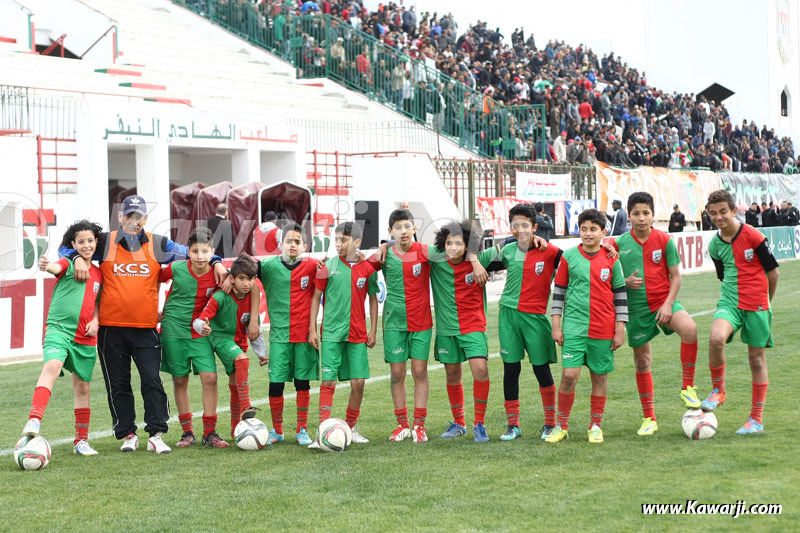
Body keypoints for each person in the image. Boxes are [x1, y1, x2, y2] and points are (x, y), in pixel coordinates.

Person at [59, 195, 231, 454]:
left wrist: (217, 262)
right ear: (120, 217)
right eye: (129, 216)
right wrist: (75, 258)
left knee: (152, 380)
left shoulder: (158, 244)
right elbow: (65, 247)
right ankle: (128, 433)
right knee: (118, 384)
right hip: (110, 329)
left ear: (146, 219)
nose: (134, 221)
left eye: (139, 217)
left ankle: (156, 433)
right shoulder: (104, 242)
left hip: (146, 328)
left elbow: (195, 253)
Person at [613, 192, 700, 437]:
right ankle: (649, 418)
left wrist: (669, 305)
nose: (642, 218)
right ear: (628, 216)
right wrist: (623, 281)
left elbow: (676, 277)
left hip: (664, 302)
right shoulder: (617, 244)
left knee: (691, 329)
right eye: (636, 213)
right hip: (637, 310)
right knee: (642, 362)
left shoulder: (664, 240)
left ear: (653, 215)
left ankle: (687, 387)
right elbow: (600, 269)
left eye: (646, 213)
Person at [23, 220, 104, 456]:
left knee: (83, 386)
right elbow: (55, 268)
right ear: (73, 244)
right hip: (59, 328)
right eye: (81, 242)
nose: (86, 245)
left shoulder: (99, 273)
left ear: (96, 242)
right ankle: (34, 420)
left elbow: (97, 302)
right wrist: (47, 265)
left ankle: (81, 441)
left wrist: (96, 320)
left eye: (90, 241)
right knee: (52, 365)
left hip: (85, 336)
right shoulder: (69, 263)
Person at [701, 190, 779, 435]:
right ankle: (718, 390)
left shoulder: (754, 236)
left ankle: (755, 419)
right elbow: (723, 276)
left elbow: (773, 274)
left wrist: (767, 302)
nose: (719, 217)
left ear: (734, 211)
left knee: (756, 360)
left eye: (723, 211)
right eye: (713, 213)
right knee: (716, 338)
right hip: (730, 302)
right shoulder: (715, 245)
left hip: (757, 303)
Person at [546, 209, 627, 444]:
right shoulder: (569, 257)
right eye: (584, 229)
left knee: (599, 377)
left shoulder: (612, 258)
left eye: (593, 229)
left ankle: (595, 425)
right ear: (578, 231)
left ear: (603, 232)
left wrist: (620, 329)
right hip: (574, 328)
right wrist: (556, 325)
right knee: (569, 376)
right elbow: (558, 293)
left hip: (603, 328)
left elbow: (620, 294)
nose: (588, 233)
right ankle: (561, 426)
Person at [159, 227, 244, 449]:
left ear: (212, 252)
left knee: (210, 378)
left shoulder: (220, 274)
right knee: (180, 380)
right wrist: (155, 310)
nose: (199, 257)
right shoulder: (176, 268)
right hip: (172, 331)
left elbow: (243, 287)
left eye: (205, 252)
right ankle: (187, 432)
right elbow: (152, 281)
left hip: (198, 333)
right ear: (188, 251)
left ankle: (210, 433)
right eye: (195, 251)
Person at [490, 204, 560, 441]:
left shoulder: (551, 251)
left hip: (536, 318)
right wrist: (477, 262)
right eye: (515, 225)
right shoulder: (507, 249)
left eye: (525, 225)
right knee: (511, 369)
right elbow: (473, 257)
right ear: (510, 227)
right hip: (508, 315)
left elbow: (578, 259)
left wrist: (609, 248)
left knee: (541, 369)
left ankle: (551, 424)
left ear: (535, 227)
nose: (520, 230)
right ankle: (513, 426)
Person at [308, 222, 380, 444]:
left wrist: (373, 329)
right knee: (328, 382)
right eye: (336, 239)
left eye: (343, 240)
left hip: (357, 334)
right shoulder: (326, 266)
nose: (338, 244)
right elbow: (315, 298)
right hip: (331, 334)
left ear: (357, 242)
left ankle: (350, 428)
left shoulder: (367, 269)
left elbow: (373, 298)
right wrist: (312, 328)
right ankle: (322, 432)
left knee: (358, 383)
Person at [430, 220, 498, 442]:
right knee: (452, 374)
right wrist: (384, 245)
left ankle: (479, 423)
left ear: (467, 245)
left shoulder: (481, 259)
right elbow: (404, 246)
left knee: (480, 370)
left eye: (458, 243)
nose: (452, 248)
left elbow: (511, 244)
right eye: (449, 243)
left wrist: (475, 259)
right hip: (447, 329)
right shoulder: (436, 259)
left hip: (473, 326)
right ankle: (459, 423)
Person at [257, 223, 320, 445]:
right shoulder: (268, 266)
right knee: (276, 385)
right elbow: (241, 270)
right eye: (288, 241)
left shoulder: (313, 265)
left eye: (296, 242)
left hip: (304, 337)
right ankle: (277, 430)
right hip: (279, 337)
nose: (292, 245)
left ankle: (302, 429)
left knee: (302, 383)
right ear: (280, 244)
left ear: (304, 245)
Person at [195, 254, 267, 439]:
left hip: (238, 341)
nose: (246, 283)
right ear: (232, 278)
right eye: (241, 278)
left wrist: (261, 353)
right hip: (220, 338)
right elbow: (202, 317)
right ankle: (246, 406)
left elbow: (254, 327)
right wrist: (202, 325)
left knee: (236, 384)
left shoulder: (251, 297)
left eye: (250, 279)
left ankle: (237, 430)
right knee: (242, 359)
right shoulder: (220, 296)